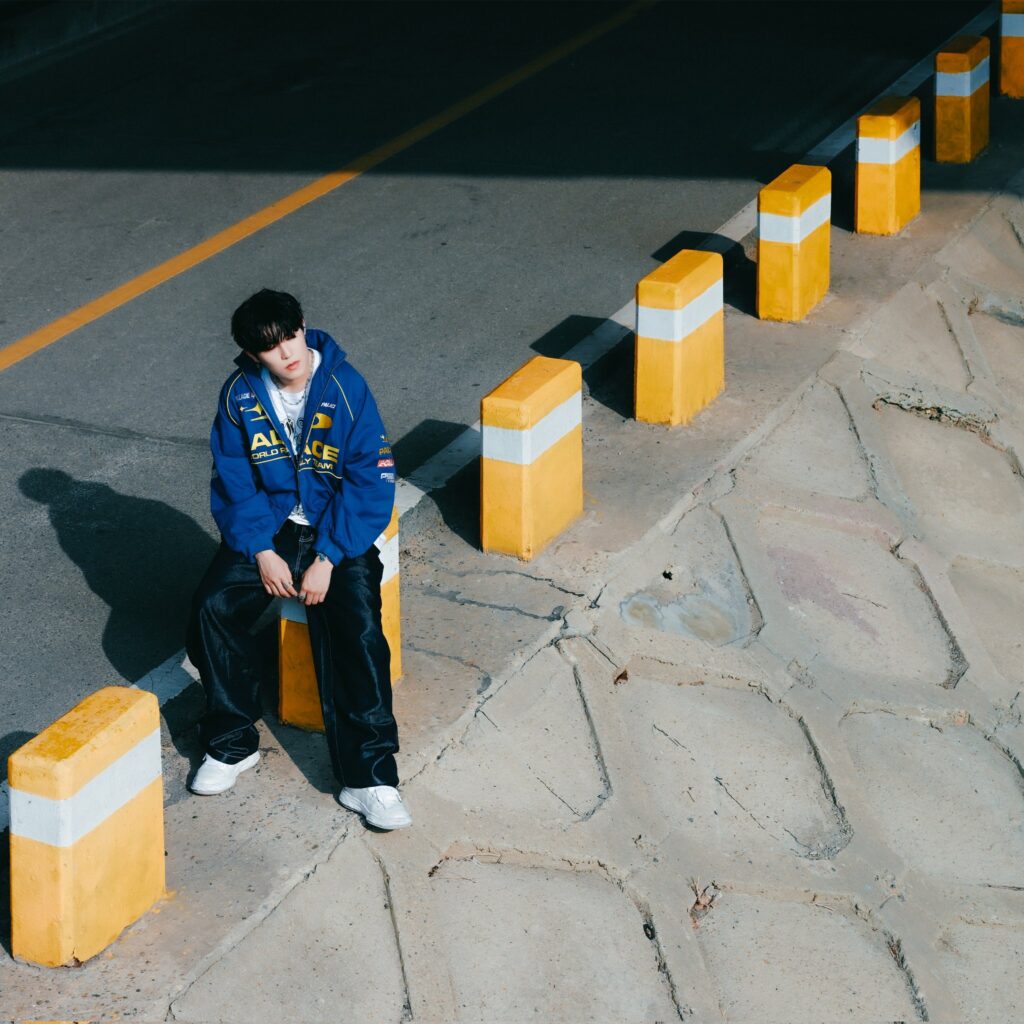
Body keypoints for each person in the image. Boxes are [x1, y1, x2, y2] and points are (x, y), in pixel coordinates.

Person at [186, 288, 410, 830]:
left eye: (290, 336)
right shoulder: (240, 395)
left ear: (303, 326)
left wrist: (328, 558)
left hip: (336, 529)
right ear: (251, 353)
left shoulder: (345, 387)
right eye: (270, 347)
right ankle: (233, 742)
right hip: (271, 527)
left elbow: (370, 481)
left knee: (358, 633)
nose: (286, 353)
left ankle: (369, 778)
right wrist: (262, 550)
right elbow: (233, 480)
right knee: (212, 608)